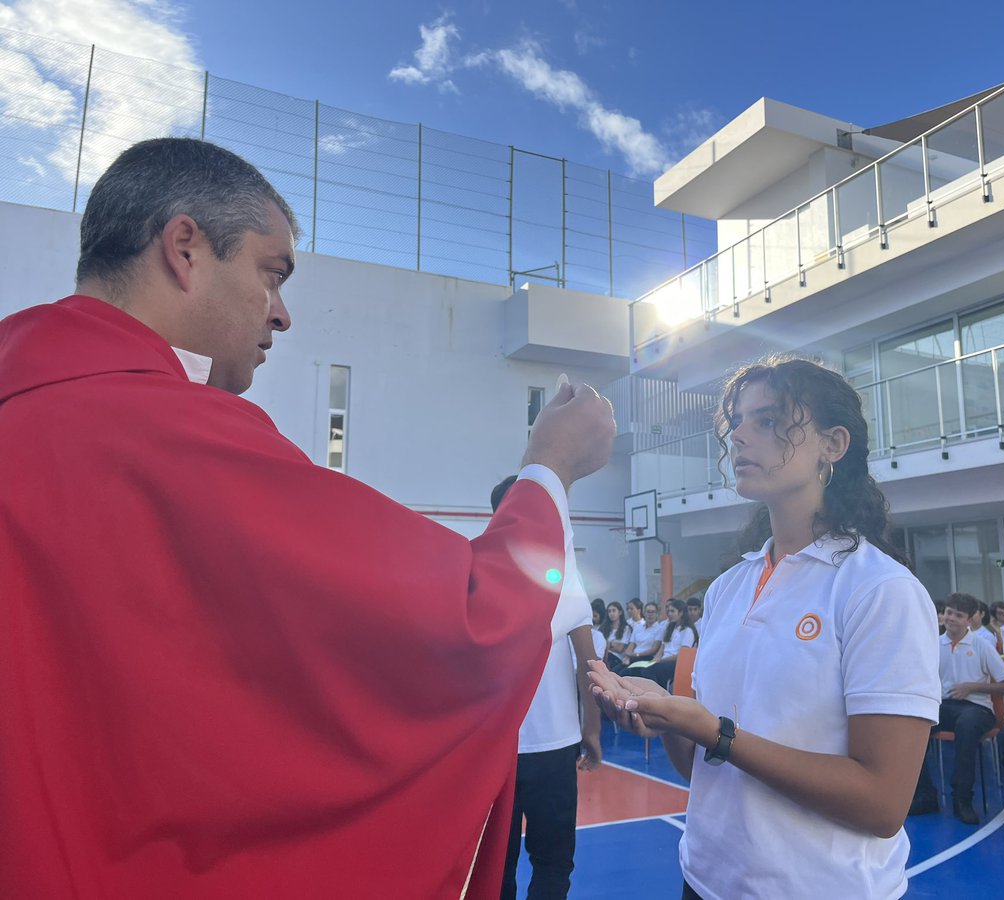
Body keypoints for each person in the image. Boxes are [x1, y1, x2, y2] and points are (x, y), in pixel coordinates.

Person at [0, 138, 616, 899]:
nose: (283, 313)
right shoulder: (170, 435)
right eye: (273, 272)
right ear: (185, 249)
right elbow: (472, 618)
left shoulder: (31, 401)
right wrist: (549, 468)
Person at [590, 356, 940, 899]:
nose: (740, 436)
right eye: (737, 422)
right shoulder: (730, 587)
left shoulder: (878, 589)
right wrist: (668, 721)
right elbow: (707, 772)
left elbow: (882, 803)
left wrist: (715, 732)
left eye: (770, 420)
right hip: (706, 879)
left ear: (833, 444)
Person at [491, 477, 602, 900]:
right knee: (553, 864)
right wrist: (590, 730)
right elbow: (590, 667)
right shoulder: (564, 580)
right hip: (555, 746)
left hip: (498, 748)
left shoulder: (480, 575)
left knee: (496, 868)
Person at [910, 592, 1004, 824]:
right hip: (943, 706)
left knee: (967, 725)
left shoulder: (981, 646)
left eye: (958, 615)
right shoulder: (933, 645)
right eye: (949, 613)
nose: (951, 618)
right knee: (915, 723)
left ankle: (962, 797)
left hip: (977, 708)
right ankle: (924, 794)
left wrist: (972, 687)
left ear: (969, 620)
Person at [639, 598, 699, 690]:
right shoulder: (670, 628)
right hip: (663, 660)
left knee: (648, 670)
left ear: (681, 613)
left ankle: (656, 694)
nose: (669, 614)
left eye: (672, 611)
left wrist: (661, 660)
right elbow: (662, 648)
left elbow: (682, 655)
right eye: (668, 611)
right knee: (640, 668)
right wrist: (655, 660)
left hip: (675, 663)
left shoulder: (687, 631)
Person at [601, 601, 632, 666]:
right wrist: (611, 644)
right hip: (603, 656)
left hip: (616, 658)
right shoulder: (604, 628)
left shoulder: (626, 628)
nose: (611, 613)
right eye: (609, 611)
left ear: (620, 612)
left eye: (614, 611)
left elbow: (620, 649)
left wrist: (607, 645)